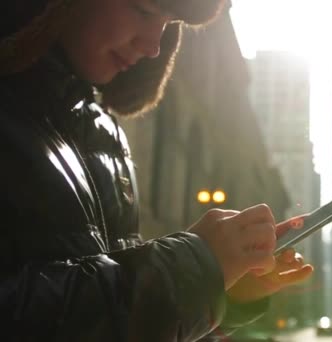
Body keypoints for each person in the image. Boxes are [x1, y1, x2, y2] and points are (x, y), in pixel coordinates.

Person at [0, 0, 314, 340]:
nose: (153, 47)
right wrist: (192, 265)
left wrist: (220, 292)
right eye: (145, 11)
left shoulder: (104, 131)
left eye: (171, 24)